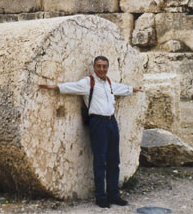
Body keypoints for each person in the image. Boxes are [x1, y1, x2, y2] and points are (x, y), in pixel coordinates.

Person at [39, 55, 142, 208]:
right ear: (94, 67)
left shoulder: (109, 82)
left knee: (114, 160)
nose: (101, 69)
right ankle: (101, 197)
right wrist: (54, 87)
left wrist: (133, 89)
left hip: (111, 122)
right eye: (99, 66)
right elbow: (70, 87)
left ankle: (114, 195)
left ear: (108, 68)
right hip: (97, 123)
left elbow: (120, 88)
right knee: (100, 161)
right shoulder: (88, 83)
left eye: (104, 66)